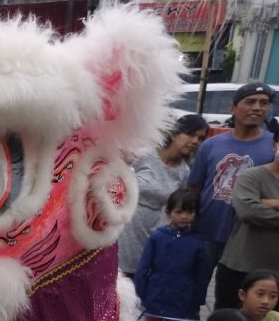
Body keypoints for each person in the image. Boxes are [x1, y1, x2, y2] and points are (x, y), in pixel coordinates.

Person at [187, 82, 277, 308]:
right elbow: (194, 188)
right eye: (250, 102)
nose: (257, 108)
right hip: (206, 231)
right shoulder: (211, 145)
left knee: (236, 300)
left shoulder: (272, 147)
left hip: (247, 240)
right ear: (233, 108)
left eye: (263, 103)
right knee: (193, 292)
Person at [118, 113, 208, 276]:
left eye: (200, 138)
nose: (195, 141)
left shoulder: (183, 172)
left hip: (152, 232)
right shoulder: (144, 155)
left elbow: (176, 206)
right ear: (174, 134)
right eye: (191, 134)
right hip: (123, 228)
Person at [133, 188, 206, 321]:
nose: (184, 216)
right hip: (155, 295)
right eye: (179, 212)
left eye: (189, 212)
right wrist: (141, 293)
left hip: (180, 299)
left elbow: (200, 274)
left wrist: (196, 299)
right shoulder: (157, 237)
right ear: (168, 212)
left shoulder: (197, 242)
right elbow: (144, 267)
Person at [218, 128, 279, 302]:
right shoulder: (251, 176)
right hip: (241, 266)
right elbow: (248, 211)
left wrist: (270, 202)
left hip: (276, 272)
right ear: (275, 145)